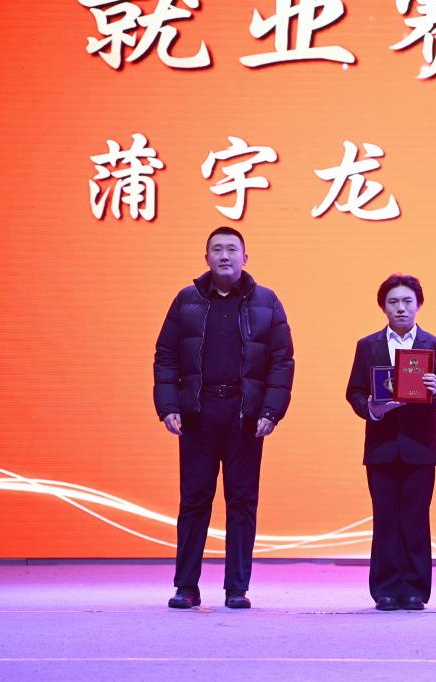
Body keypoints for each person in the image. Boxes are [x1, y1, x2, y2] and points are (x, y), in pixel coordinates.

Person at [153, 226, 294, 609]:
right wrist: (168, 406)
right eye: (217, 249)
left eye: (232, 249)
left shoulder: (267, 301)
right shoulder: (187, 300)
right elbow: (166, 356)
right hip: (198, 414)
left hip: (244, 416)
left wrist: (271, 411)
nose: (225, 255)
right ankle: (186, 586)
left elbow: (282, 361)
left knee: (242, 502)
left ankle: (237, 588)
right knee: (194, 501)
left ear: (245, 258)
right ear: (206, 258)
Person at [345, 274, 436, 611]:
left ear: (419, 304)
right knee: (385, 519)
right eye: (393, 302)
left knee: (416, 519)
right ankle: (385, 590)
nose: (401, 308)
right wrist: (372, 409)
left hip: (420, 448)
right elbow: (354, 392)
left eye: (408, 301)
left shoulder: (434, 345)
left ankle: (415, 590)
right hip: (381, 447)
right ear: (383, 306)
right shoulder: (368, 346)